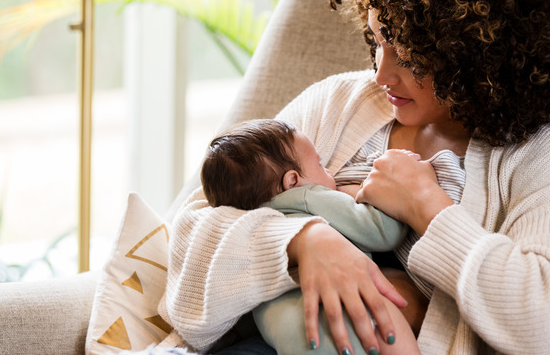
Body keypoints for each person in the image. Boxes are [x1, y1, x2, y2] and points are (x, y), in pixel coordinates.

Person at [162, 0, 550, 353]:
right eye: (379, 41)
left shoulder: (545, 154)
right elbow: (187, 246)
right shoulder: (342, 102)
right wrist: (305, 242)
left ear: (485, 54)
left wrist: (427, 207)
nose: (382, 74)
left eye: (414, 57)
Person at [199, 118, 465, 354]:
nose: (329, 172)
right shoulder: (309, 197)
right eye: (319, 164)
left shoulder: (251, 221)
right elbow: (382, 232)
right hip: (342, 322)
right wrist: (372, 193)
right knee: (386, 316)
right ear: (292, 181)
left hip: (288, 337)